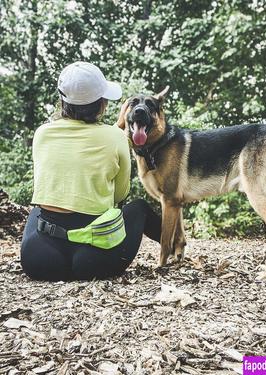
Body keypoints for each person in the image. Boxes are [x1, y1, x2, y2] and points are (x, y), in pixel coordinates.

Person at [21, 61, 161, 281]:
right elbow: (120, 196)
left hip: (40, 259)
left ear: (62, 100)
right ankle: (174, 246)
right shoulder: (116, 136)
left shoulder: (42, 133)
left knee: (37, 209)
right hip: (97, 260)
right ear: (102, 103)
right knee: (140, 208)